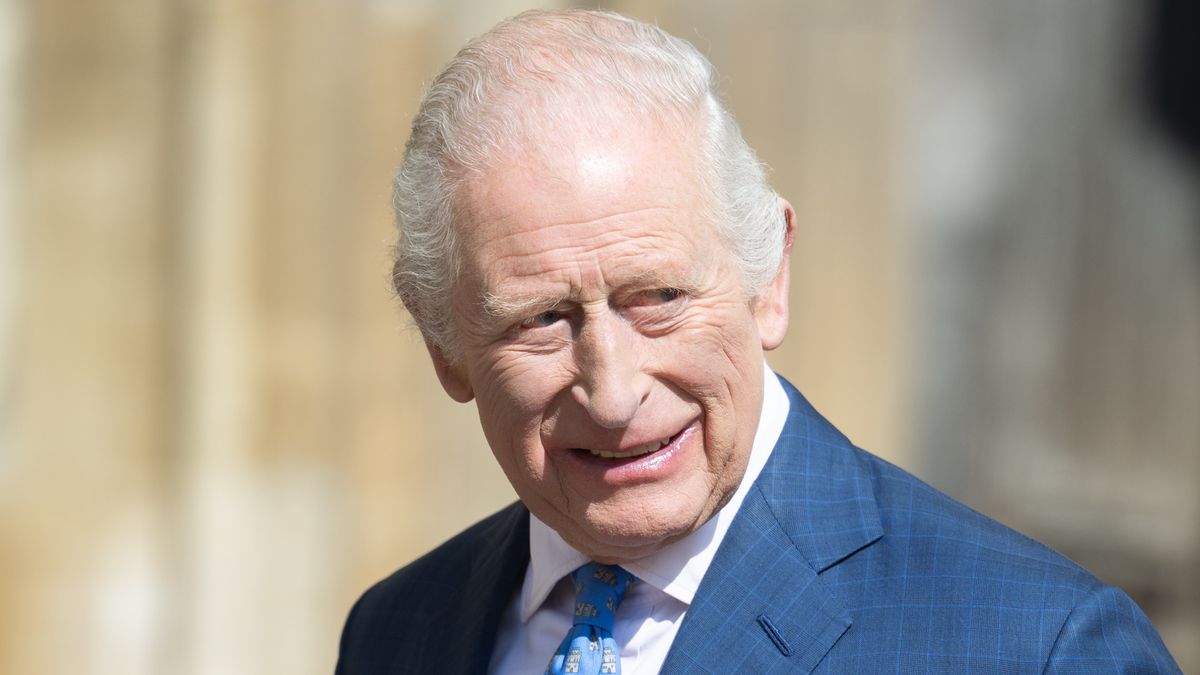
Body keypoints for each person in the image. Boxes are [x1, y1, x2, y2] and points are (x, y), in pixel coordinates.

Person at [335, 9, 1180, 674]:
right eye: (541, 319)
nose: (614, 388)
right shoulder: (399, 628)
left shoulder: (1036, 647)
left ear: (768, 278)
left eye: (657, 297)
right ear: (445, 349)